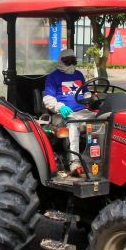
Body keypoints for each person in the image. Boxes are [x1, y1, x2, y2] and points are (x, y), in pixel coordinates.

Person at [43, 48, 91, 176]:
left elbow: (86, 93)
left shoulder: (79, 75)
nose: (70, 64)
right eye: (67, 61)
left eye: (72, 61)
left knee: (103, 120)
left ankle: (95, 160)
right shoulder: (53, 77)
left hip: (82, 111)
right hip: (61, 114)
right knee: (73, 124)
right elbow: (48, 99)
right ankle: (74, 163)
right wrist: (60, 107)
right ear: (61, 61)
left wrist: (90, 100)